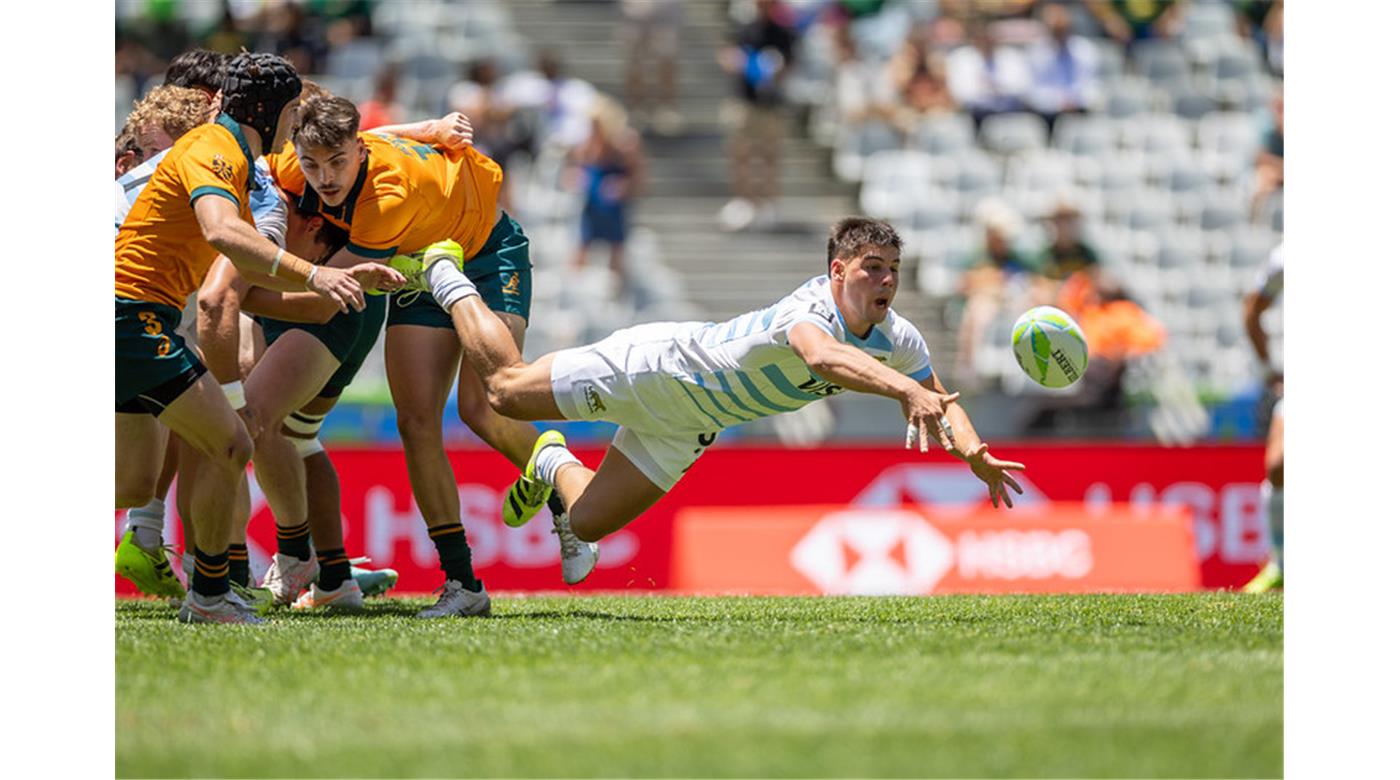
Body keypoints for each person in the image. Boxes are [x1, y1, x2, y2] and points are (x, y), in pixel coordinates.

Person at [417, 217, 1025, 585]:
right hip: (659, 370)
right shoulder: (810, 309)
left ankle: (550, 462)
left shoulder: (899, 339)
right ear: (838, 271)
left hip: (690, 425)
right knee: (503, 392)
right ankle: (449, 278)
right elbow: (820, 358)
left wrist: (972, 451)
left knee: (585, 524)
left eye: (894, 269)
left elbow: (944, 400)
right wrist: (905, 388)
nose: (887, 281)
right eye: (873, 268)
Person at [263, 95, 583, 617]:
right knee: (415, 421)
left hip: (486, 252)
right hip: (421, 263)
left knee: (487, 405)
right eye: (312, 163)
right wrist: (431, 126)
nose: (324, 177)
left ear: (358, 152)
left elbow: (328, 292)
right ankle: (464, 584)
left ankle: (562, 488)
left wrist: (243, 296)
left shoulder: (385, 197)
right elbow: (368, 139)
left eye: (338, 162)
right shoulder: (307, 163)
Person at [115, 52, 373, 624]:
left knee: (130, 484)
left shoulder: (231, 155)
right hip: (129, 318)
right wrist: (313, 271)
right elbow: (221, 233)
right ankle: (210, 596)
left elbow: (243, 290)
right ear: (273, 112)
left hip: (130, 319)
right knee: (231, 443)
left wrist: (331, 290)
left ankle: (213, 593)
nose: (292, 129)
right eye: (290, 116)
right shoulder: (215, 148)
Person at [717, 0, 797, 232]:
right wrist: (739, 62)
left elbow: (790, 63)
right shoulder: (743, 28)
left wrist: (775, 70)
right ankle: (743, 201)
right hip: (744, 103)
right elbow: (727, 55)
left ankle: (768, 203)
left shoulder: (782, 32)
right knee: (740, 154)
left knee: (768, 156)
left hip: (770, 106)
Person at [571, 97, 647, 296]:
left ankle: (619, 293)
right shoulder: (586, 145)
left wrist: (623, 186)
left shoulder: (625, 144)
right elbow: (573, 171)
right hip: (591, 202)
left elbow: (638, 178)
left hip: (614, 205)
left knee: (617, 247)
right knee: (582, 245)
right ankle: (574, 291)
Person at [1242, 242, 1283, 593]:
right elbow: (1252, 309)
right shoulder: (1285, 255)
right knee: (1278, 465)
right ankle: (1281, 564)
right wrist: (1270, 369)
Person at [1025, 3, 1101, 132]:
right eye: (1056, 29)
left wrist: (1075, 101)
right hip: (1048, 115)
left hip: (1079, 110)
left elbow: (1091, 84)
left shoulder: (1084, 49)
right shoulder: (1036, 53)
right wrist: (1058, 102)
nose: (1060, 33)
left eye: (1064, 28)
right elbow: (1032, 91)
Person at [946, 18, 1031, 130]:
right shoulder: (960, 58)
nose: (986, 39)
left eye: (990, 35)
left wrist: (995, 89)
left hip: (1009, 114)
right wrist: (992, 92)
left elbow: (1022, 88)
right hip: (974, 116)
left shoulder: (1011, 56)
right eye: (982, 36)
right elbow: (961, 94)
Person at [620, 0, 685, 135]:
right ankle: (635, 108)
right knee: (634, 62)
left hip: (665, 8)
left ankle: (666, 109)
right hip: (635, 9)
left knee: (667, 58)